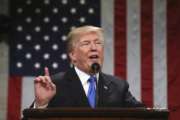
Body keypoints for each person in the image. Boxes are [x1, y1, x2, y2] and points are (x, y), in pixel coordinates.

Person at [34, 25, 144, 108]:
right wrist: (41, 104)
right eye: (86, 43)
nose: (94, 48)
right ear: (73, 55)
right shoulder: (54, 85)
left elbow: (143, 116)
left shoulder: (118, 86)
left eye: (98, 43)